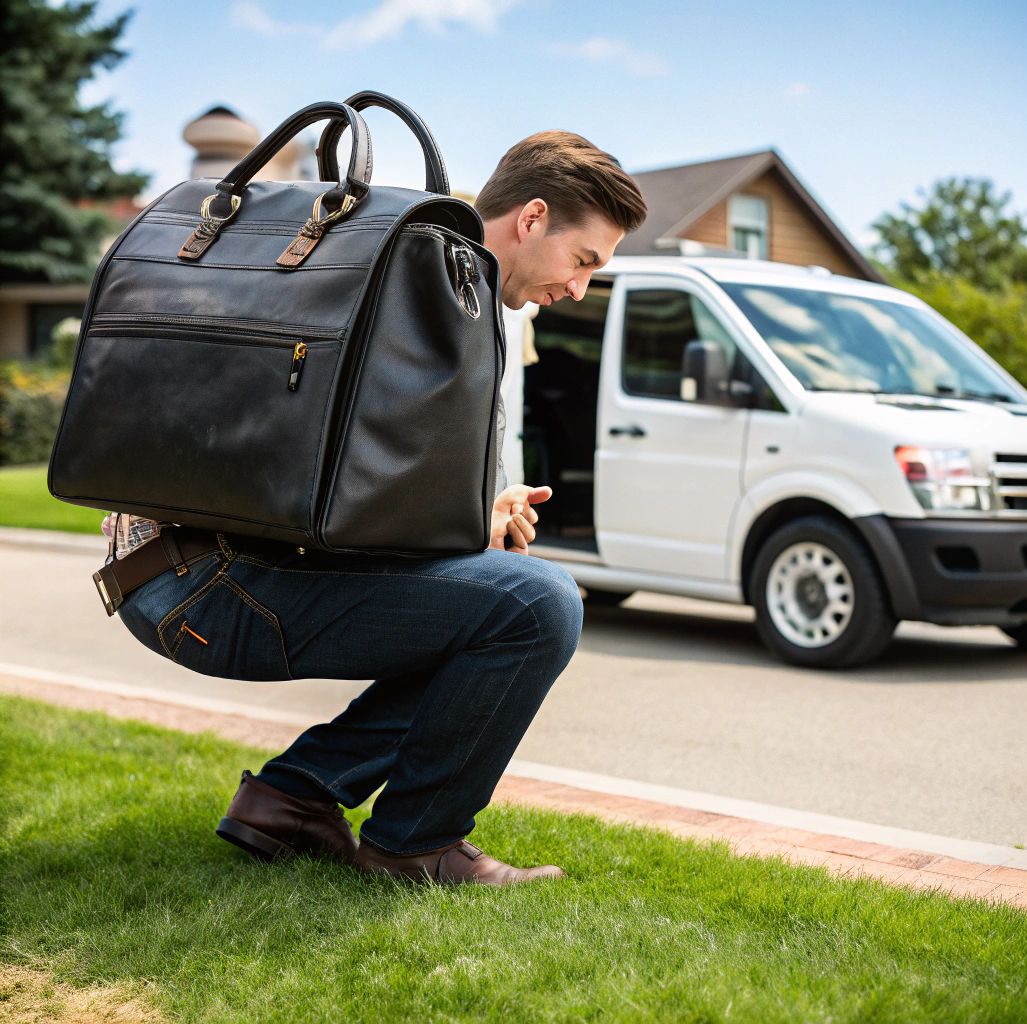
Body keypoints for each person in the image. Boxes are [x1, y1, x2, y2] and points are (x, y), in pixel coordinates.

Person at [102, 131, 648, 886]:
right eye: (583, 261)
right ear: (531, 219)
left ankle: (292, 799)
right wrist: (468, 526)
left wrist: (472, 513)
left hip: (172, 571)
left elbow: (337, 467)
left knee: (492, 605)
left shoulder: (423, 282)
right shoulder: (413, 290)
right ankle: (415, 846)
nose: (581, 288)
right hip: (207, 583)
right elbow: (329, 496)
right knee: (537, 605)